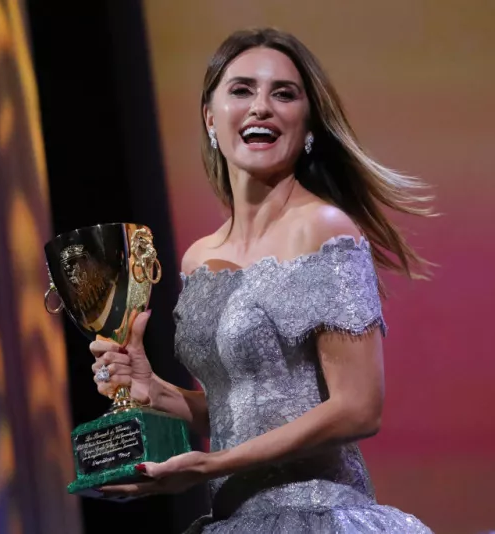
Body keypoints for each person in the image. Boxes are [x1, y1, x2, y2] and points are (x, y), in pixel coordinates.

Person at [89, 28, 434, 533]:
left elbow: (358, 409)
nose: (261, 107)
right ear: (211, 117)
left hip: (320, 517)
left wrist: (210, 465)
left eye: (284, 93)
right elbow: (244, 410)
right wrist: (156, 390)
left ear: (308, 123)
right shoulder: (199, 257)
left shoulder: (324, 229)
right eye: (242, 90)